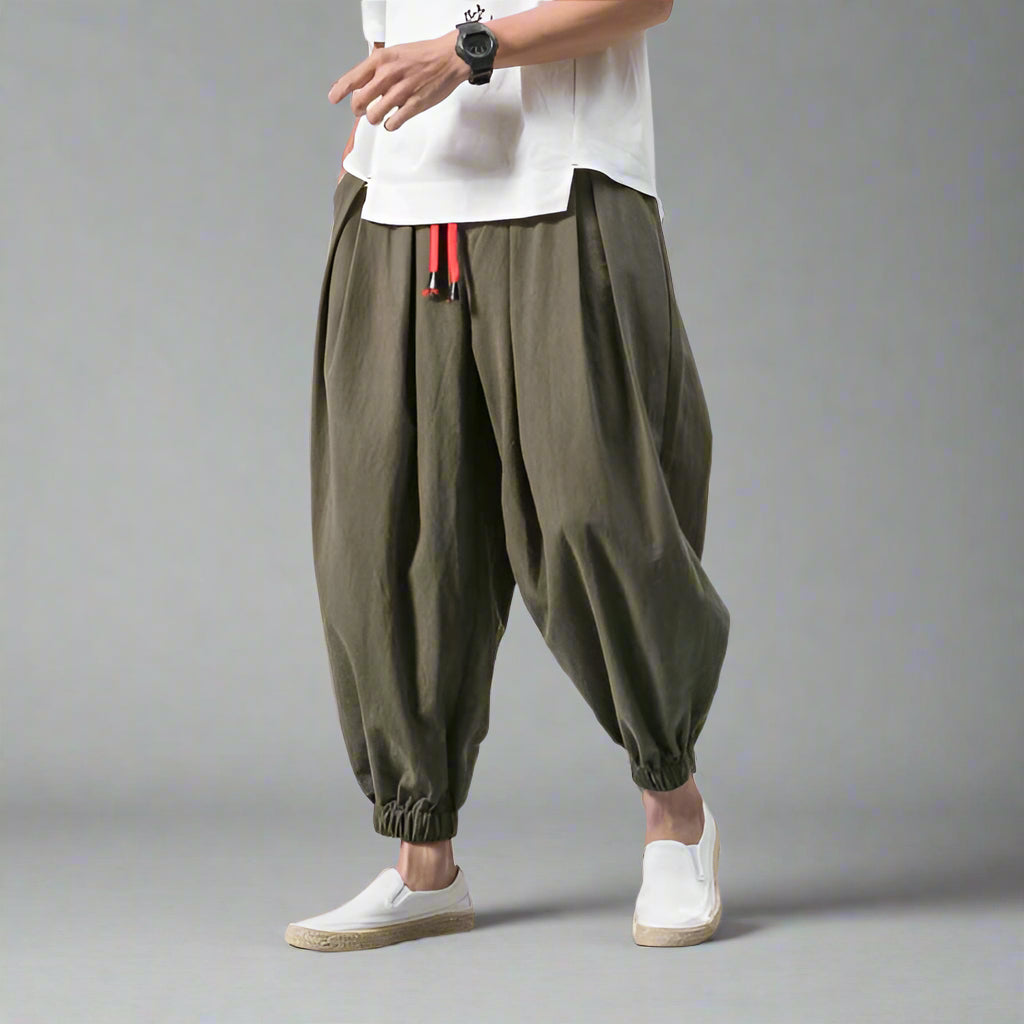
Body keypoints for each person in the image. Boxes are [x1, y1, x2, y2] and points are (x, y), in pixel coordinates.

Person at [285, 0, 731, 952]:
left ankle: (676, 812)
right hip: (399, 208)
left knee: (594, 510)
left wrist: (468, 52)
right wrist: (358, 166)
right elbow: (386, 42)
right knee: (387, 538)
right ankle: (424, 861)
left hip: (563, 189)